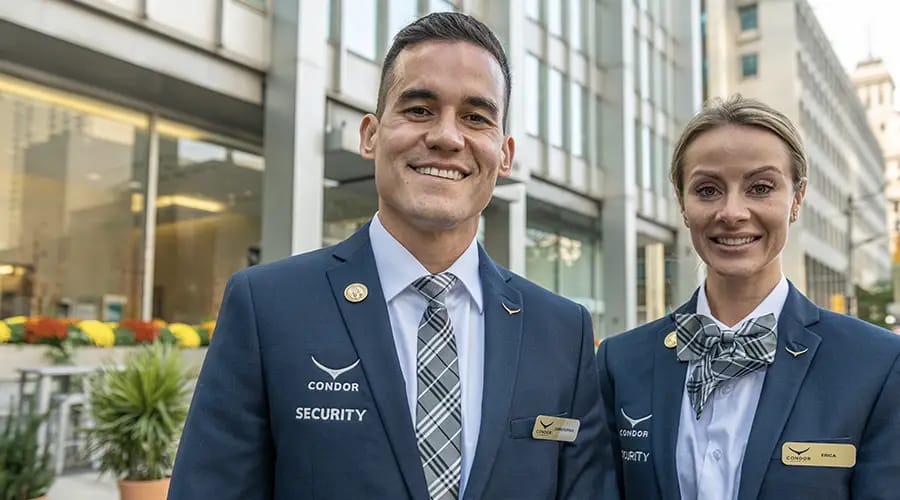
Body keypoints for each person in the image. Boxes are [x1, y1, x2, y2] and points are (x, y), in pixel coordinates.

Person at [168, 12, 617, 500]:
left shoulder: (562, 332)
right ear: (370, 135)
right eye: (420, 109)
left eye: (476, 117)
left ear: (504, 154)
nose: (447, 137)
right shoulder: (267, 307)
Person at [596, 95, 900, 499]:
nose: (732, 212)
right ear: (682, 203)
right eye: (707, 190)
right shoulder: (621, 361)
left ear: (796, 200)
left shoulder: (876, 364)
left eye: (760, 188)